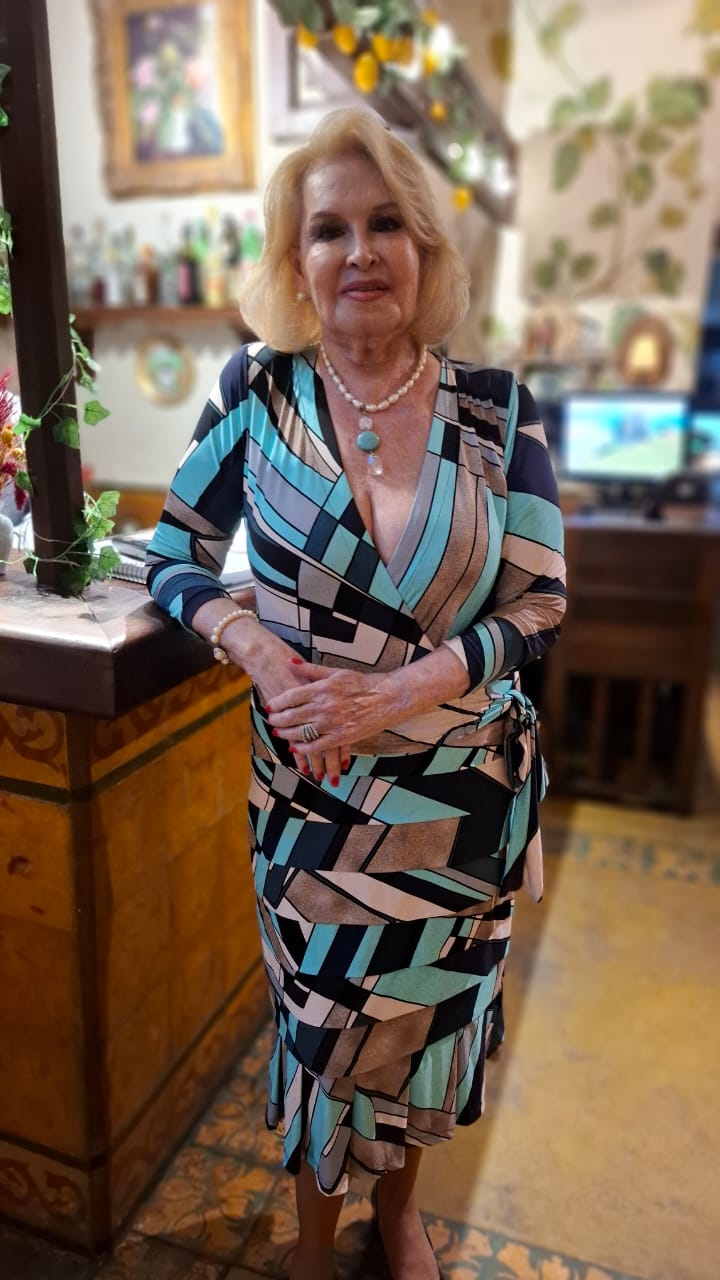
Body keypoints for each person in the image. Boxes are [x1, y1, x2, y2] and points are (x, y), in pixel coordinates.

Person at [146, 107, 566, 1280]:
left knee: (428, 1026)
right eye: (328, 229)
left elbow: (538, 603)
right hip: (316, 806)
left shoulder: (499, 409)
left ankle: (401, 1213)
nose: (359, 250)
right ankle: (318, 1229)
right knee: (324, 1032)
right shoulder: (255, 391)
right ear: (296, 261)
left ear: (425, 246)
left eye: (387, 223)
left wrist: (403, 687)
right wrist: (255, 646)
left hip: (461, 800)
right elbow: (173, 554)